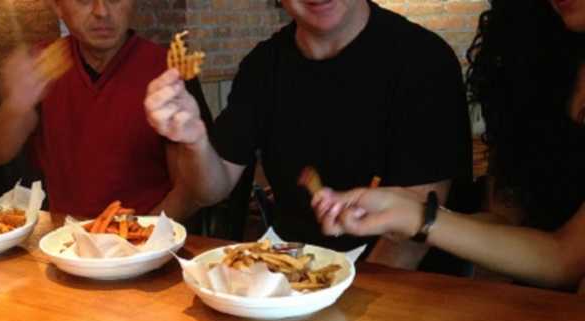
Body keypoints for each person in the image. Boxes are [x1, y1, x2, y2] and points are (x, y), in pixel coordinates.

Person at [145, 0, 472, 270]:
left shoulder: (424, 60)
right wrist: (194, 141)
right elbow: (210, 190)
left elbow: (410, 236)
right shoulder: (263, 66)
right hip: (291, 283)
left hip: (411, 293)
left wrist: (342, 304)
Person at [311, 0, 585, 291]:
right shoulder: (532, 54)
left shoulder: (420, 59)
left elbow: (566, 259)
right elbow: (508, 220)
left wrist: (418, 218)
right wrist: (400, 210)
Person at [0, 0, 212, 219]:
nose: (102, 11)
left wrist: (140, 238)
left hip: (148, 239)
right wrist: (15, 107)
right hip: (62, 241)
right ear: (58, 7)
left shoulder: (167, 71)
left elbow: (190, 191)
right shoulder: (41, 67)